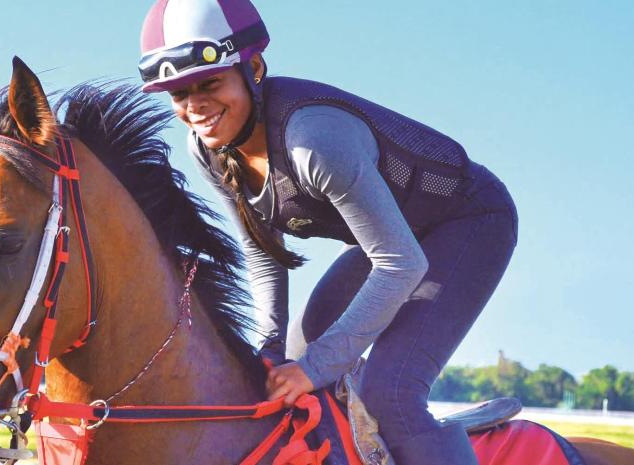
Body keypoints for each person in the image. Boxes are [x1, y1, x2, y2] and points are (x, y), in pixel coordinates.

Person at [137, 1, 518, 464]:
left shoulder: (313, 142)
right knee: (293, 361)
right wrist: (271, 349)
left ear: (253, 67)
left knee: (390, 391)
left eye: (210, 83)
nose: (195, 107)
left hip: (470, 222)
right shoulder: (208, 149)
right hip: (399, 241)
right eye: (178, 94)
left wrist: (316, 368)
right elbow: (264, 252)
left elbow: (401, 263)